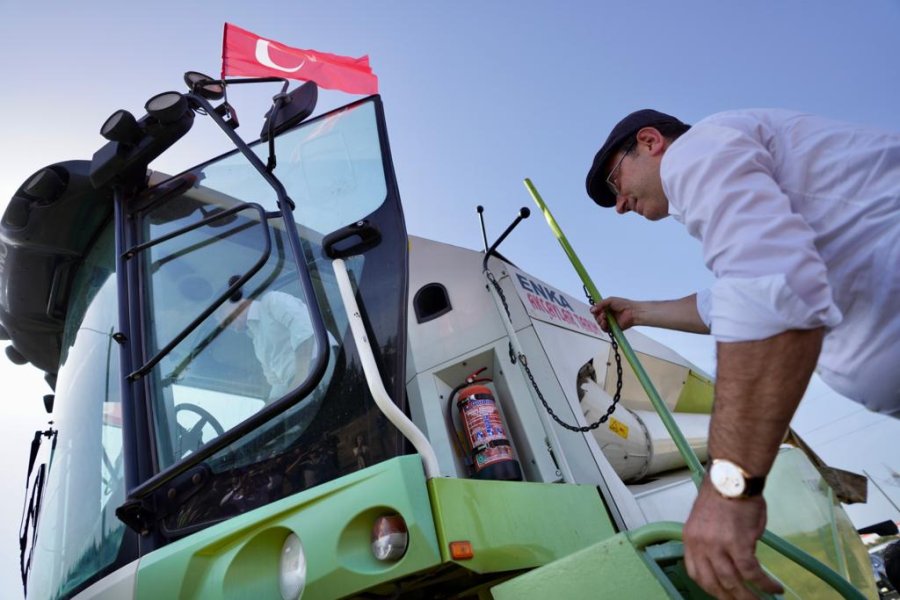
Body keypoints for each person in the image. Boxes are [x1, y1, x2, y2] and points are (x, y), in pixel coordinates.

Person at [584, 108, 900, 598]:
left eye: (614, 182)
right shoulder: (740, 170)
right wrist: (640, 312)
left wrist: (729, 489)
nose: (619, 205)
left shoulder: (695, 153)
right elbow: (729, 300)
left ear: (649, 143)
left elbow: (771, 292)